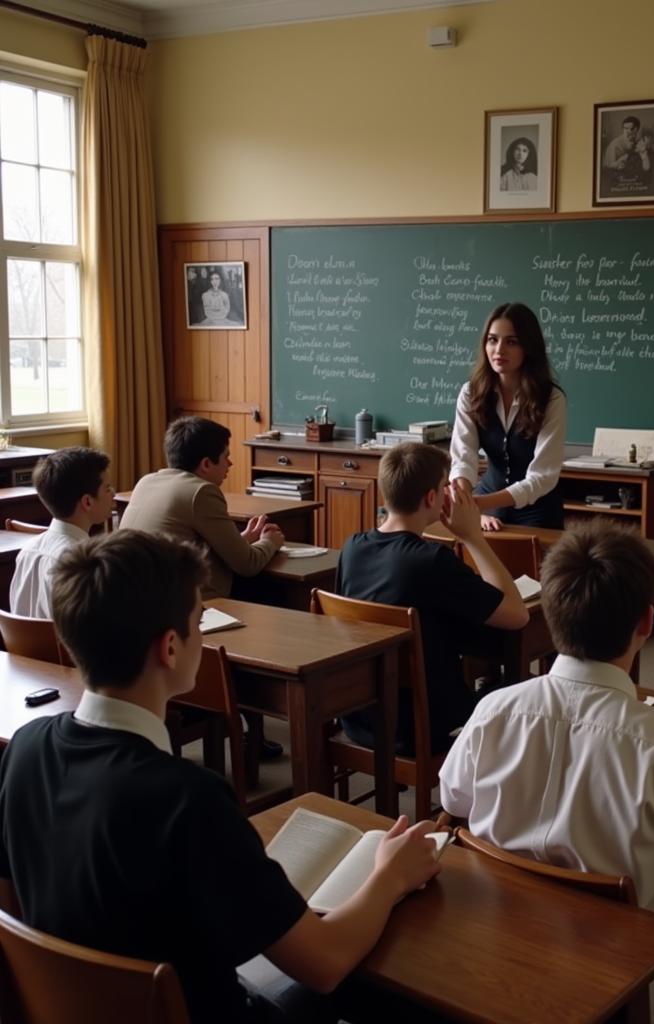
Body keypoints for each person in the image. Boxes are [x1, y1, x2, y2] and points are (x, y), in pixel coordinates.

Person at [0, 530, 441, 1024]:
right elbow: (325, 964)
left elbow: (14, 912)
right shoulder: (189, 800)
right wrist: (390, 875)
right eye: (198, 621)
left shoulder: (24, 750)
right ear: (170, 647)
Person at [440, 521, 654, 1022]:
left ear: (551, 614)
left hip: (499, 956)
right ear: (646, 623)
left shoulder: (493, 710)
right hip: (620, 992)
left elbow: (453, 802)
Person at [336, 442, 528, 754]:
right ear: (431, 499)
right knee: (522, 691)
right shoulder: (431, 560)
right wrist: (472, 537)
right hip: (420, 722)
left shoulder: (352, 547)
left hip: (360, 713)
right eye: (444, 488)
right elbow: (517, 615)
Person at [121, 416, 284, 599]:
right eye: (226, 457)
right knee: (273, 588)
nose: (230, 464)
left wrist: (243, 540)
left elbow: (189, 542)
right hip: (181, 605)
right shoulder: (201, 492)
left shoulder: (146, 482)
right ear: (206, 464)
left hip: (137, 596)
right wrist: (270, 541)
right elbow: (248, 565)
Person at [450, 302, 566, 530]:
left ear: (529, 348)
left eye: (511, 342)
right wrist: (466, 502)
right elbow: (463, 456)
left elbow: (542, 477)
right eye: (492, 340)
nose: (499, 350)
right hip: (485, 502)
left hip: (537, 511)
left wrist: (477, 504)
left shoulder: (551, 399)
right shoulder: (471, 392)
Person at [9, 446, 115, 618]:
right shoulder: (81, 563)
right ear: (87, 502)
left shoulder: (26, 551)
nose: (113, 494)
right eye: (108, 488)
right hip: (59, 645)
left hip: (23, 645)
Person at [602, 115, 654, 193]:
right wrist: (617, 164)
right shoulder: (614, 145)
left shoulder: (638, 142)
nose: (628, 132)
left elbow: (645, 165)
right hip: (618, 182)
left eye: (631, 129)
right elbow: (607, 167)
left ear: (636, 130)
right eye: (625, 128)